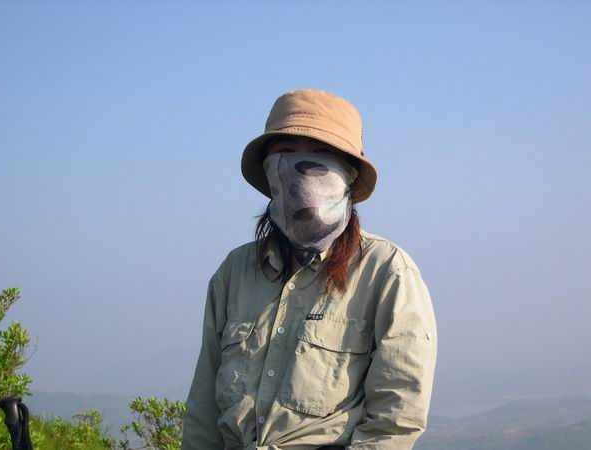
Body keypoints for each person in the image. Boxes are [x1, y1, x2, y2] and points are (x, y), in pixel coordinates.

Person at [181, 89, 437, 450]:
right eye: (286, 151)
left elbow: (396, 420)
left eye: (319, 153)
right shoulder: (234, 273)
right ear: (269, 170)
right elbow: (203, 413)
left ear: (348, 174)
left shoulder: (387, 273)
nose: (301, 168)